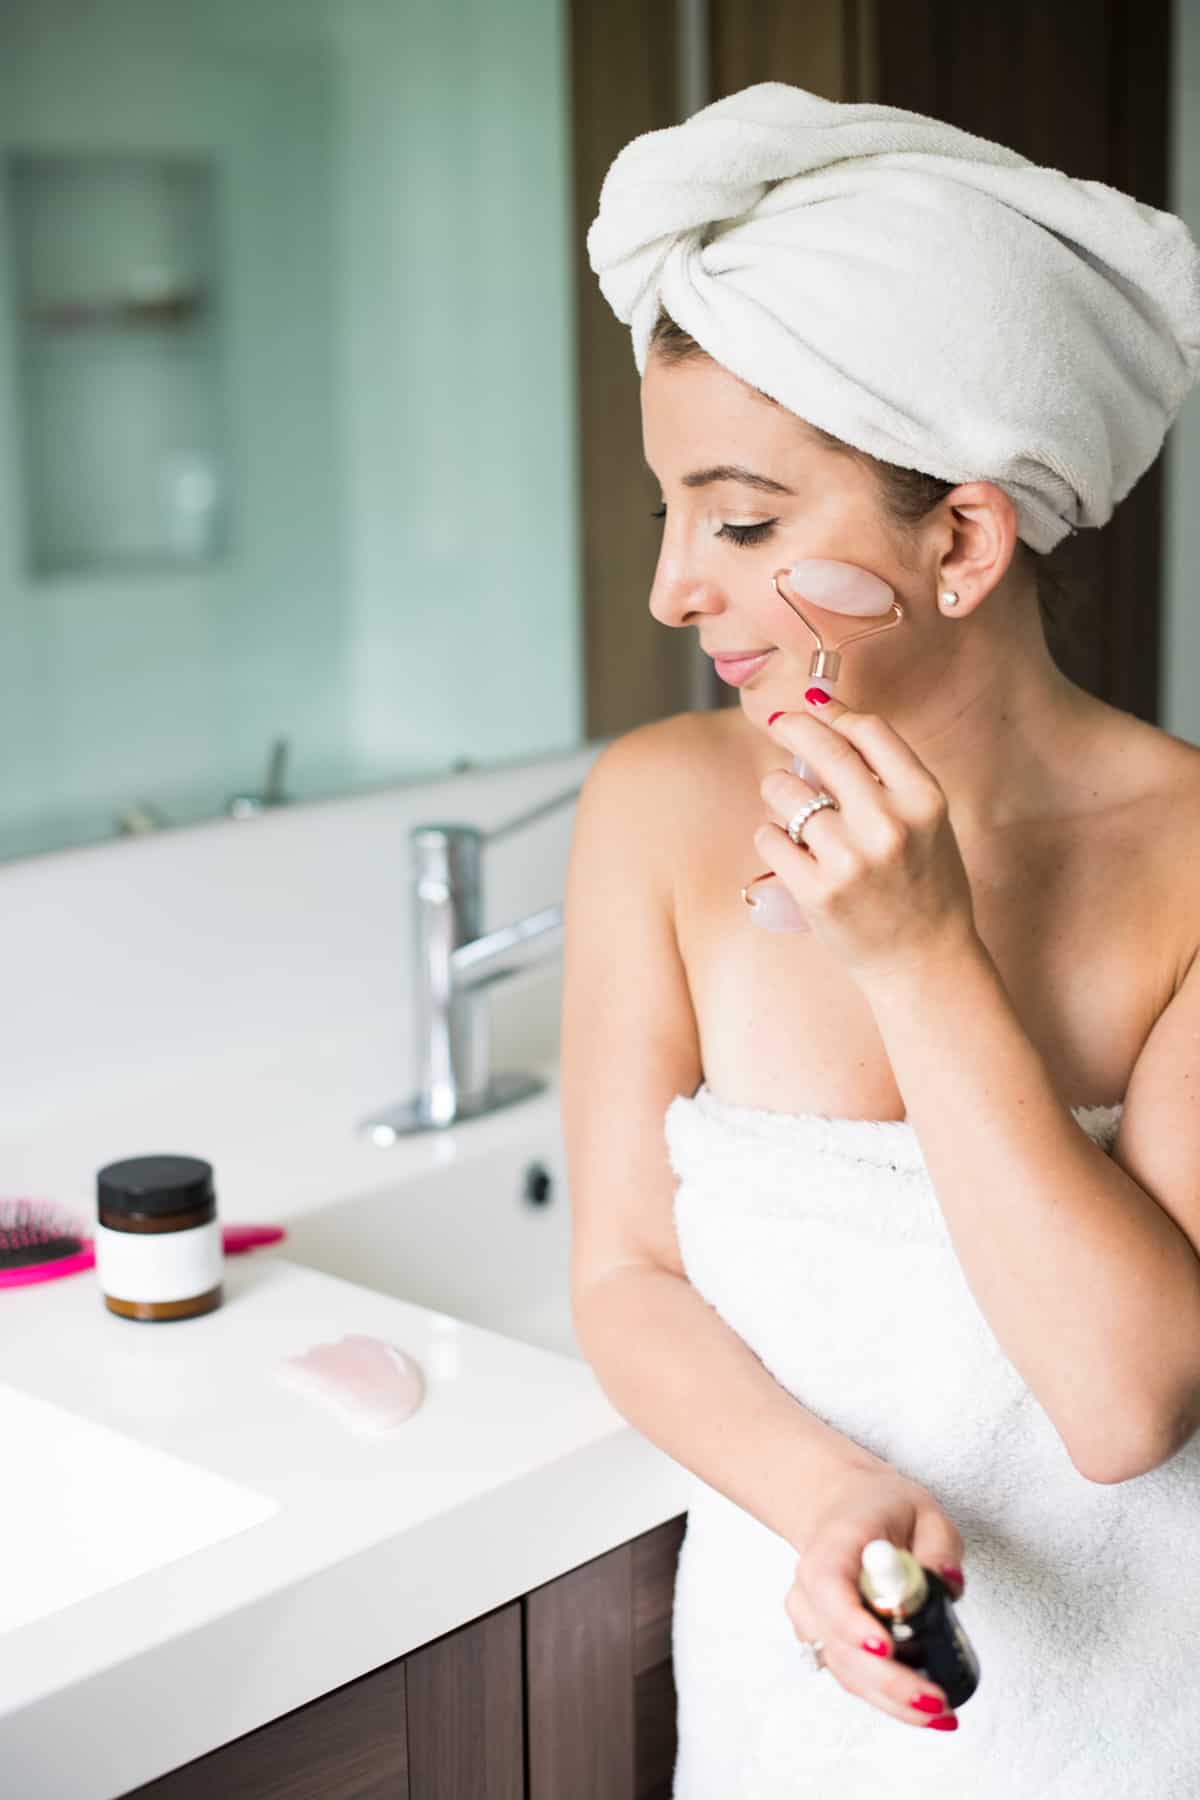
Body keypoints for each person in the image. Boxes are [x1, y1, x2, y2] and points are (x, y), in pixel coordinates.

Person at [562, 82, 1200, 1796]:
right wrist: (819, 1495)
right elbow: (623, 1276)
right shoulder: (655, 811)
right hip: (801, 1710)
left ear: (966, 539)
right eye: (667, 514)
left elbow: (1126, 1408)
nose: (673, 592)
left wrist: (922, 959)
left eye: (744, 522)